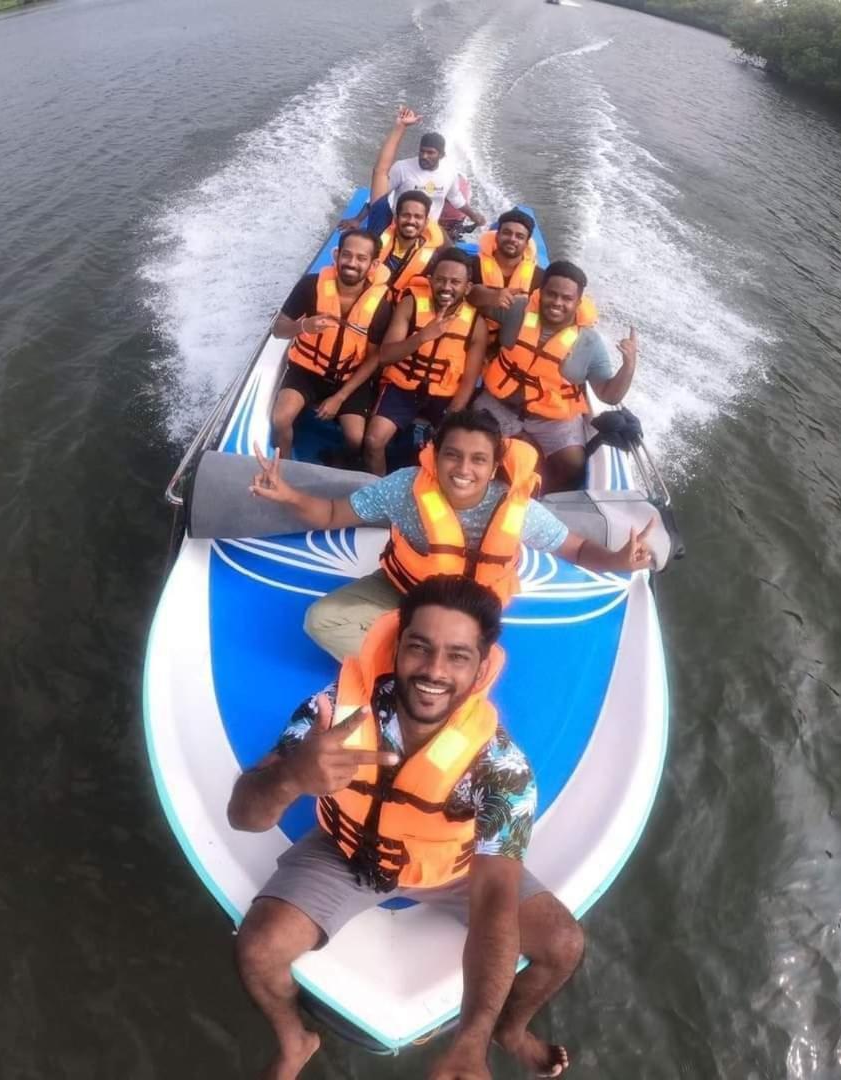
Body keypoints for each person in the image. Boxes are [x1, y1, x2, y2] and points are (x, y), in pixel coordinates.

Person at [229, 575, 583, 1080]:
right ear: (397, 647)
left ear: (482, 668)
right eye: (420, 647)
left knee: (564, 943)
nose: (434, 671)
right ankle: (295, 1041)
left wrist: (472, 1038)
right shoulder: (332, 714)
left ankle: (509, 1030)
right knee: (257, 949)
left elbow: (493, 903)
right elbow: (243, 817)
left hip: (452, 869)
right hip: (346, 851)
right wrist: (289, 777)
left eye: (457, 656)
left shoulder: (502, 768)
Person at [249, 407, 654, 660]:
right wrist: (288, 495)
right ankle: (413, 665)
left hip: (471, 608)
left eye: (479, 460)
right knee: (321, 621)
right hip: (404, 588)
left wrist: (618, 560)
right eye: (453, 455)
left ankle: (437, 661)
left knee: (454, 647)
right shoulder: (403, 487)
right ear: (434, 457)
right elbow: (335, 512)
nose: (464, 469)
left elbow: (578, 549)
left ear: (494, 467)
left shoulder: (514, 506)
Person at [474, 259, 639, 493]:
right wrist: (492, 296)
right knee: (478, 445)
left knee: (574, 463)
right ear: (540, 293)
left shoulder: (590, 343)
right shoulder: (517, 310)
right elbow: (472, 297)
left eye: (567, 299)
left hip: (553, 419)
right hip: (499, 404)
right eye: (551, 294)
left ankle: (541, 496)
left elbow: (609, 396)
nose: (557, 303)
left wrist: (629, 366)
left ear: (578, 302)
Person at [362, 248, 488, 476]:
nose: (446, 287)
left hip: (444, 396)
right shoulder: (410, 304)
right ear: (430, 281)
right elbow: (386, 356)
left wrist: (453, 415)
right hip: (402, 388)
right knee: (372, 441)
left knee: (447, 453)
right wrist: (422, 337)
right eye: (440, 280)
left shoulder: (476, 324)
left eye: (455, 282)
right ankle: (378, 493)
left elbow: (470, 380)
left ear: (467, 287)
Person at [269, 229, 392, 459]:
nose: (351, 263)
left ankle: (337, 461)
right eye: (347, 255)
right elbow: (278, 330)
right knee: (281, 420)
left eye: (361, 258)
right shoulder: (309, 286)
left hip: (349, 379)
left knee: (356, 440)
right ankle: (281, 471)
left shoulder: (381, 307)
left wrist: (340, 397)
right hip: (306, 372)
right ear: (336, 256)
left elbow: (373, 359)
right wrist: (303, 326)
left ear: (373, 265)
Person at [340, 105, 486, 236]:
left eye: (430, 153)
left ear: (441, 155)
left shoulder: (450, 174)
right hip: (399, 226)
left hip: (427, 232)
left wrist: (474, 216)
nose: (424, 156)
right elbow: (378, 197)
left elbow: (457, 199)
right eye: (422, 151)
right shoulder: (402, 168)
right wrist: (357, 219)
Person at [467, 209, 543, 327]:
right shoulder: (471, 266)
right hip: (474, 333)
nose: (512, 239)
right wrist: (490, 296)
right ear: (497, 235)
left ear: (527, 243)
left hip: (514, 340)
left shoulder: (540, 277)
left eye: (519, 236)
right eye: (507, 233)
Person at [377, 189, 447, 302]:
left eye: (418, 217)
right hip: (373, 300)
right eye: (406, 215)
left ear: (425, 223)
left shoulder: (433, 260)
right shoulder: (376, 242)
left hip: (401, 306)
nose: (411, 221)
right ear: (396, 218)